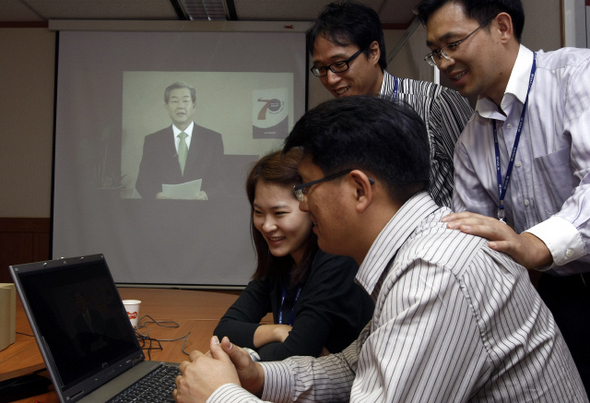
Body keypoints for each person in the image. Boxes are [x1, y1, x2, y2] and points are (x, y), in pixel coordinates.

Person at [173, 96, 587, 403]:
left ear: (358, 189)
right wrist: (261, 379)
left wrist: (220, 397)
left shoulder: (434, 271)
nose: (302, 204)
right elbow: (356, 366)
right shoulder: (414, 250)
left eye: (306, 187)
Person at [415, 0, 590, 392]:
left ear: (503, 27)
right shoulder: (470, 141)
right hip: (554, 296)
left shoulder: (578, 76)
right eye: (436, 52)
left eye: (453, 43)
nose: (444, 62)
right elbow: (475, 239)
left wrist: (532, 243)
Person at [306, 0, 473, 208]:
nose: (330, 79)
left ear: (373, 52)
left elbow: (480, 188)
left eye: (340, 64)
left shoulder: (434, 104)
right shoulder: (337, 126)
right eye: (321, 69)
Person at [213, 149, 373, 361]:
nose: (267, 226)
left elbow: (294, 356)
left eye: (280, 213)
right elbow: (223, 331)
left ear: (309, 207)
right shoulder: (281, 262)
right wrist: (276, 332)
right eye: (259, 212)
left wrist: (249, 353)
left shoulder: (337, 261)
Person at [135, 82, 224, 200]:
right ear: (166, 107)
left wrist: (206, 195)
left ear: (194, 106)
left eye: (186, 101)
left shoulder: (213, 139)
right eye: (174, 101)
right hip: (164, 210)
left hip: (201, 211)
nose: (180, 106)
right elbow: (142, 181)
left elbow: (221, 180)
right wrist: (157, 196)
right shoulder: (153, 141)